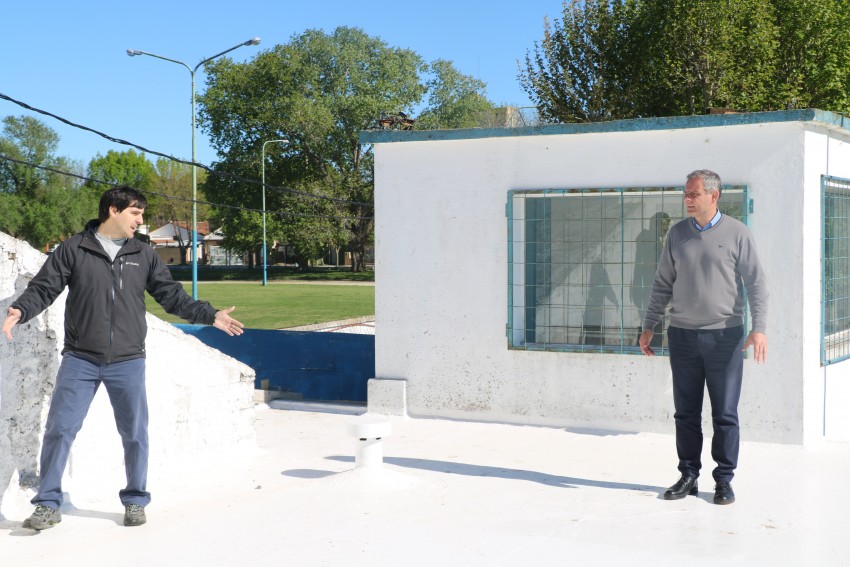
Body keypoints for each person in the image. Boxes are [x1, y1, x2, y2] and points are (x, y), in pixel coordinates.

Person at [2, 185, 245, 530]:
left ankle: (134, 499)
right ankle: (47, 504)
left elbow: (171, 297)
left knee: (134, 433)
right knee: (60, 430)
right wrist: (20, 309)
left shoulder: (143, 254)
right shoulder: (74, 249)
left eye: (141, 213)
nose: (140, 220)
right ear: (113, 211)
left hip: (129, 359)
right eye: (135, 212)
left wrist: (210, 315)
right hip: (80, 359)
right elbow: (44, 287)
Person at [639, 170, 768, 506]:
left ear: (714, 196)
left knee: (725, 412)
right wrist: (649, 323)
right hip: (681, 336)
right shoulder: (677, 234)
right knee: (685, 412)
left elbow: (756, 283)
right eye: (686, 193)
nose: (688, 199)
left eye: (694, 194)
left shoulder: (738, 233)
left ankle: (724, 480)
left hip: (724, 337)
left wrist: (759, 328)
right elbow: (662, 283)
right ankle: (688, 475)